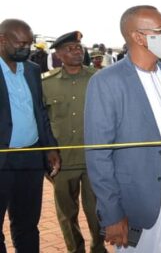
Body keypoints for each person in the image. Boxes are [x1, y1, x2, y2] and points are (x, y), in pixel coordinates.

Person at [84, 5, 161, 252]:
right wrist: (112, 214)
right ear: (138, 37)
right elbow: (98, 155)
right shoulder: (107, 82)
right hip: (144, 198)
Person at [0, 19, 61, 253]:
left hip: (30, 159)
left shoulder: (33, 70)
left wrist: (50, 148)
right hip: (2, 159)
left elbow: (40, 112)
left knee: (27, 223)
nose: (27, 48)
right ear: (2, 39)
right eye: (21, 43)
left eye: (30, 43)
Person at [42, 31, 105, 253]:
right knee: (67, 214)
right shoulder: (46, 84)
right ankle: (74, 249)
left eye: (79, 47)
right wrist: (47, 155)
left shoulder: (99, 78)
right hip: (62, 162)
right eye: (70, 48)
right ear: (58, 54)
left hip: (93, 160)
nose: (77, 51)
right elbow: (43, 122)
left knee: (97, 211)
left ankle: (99, 248)